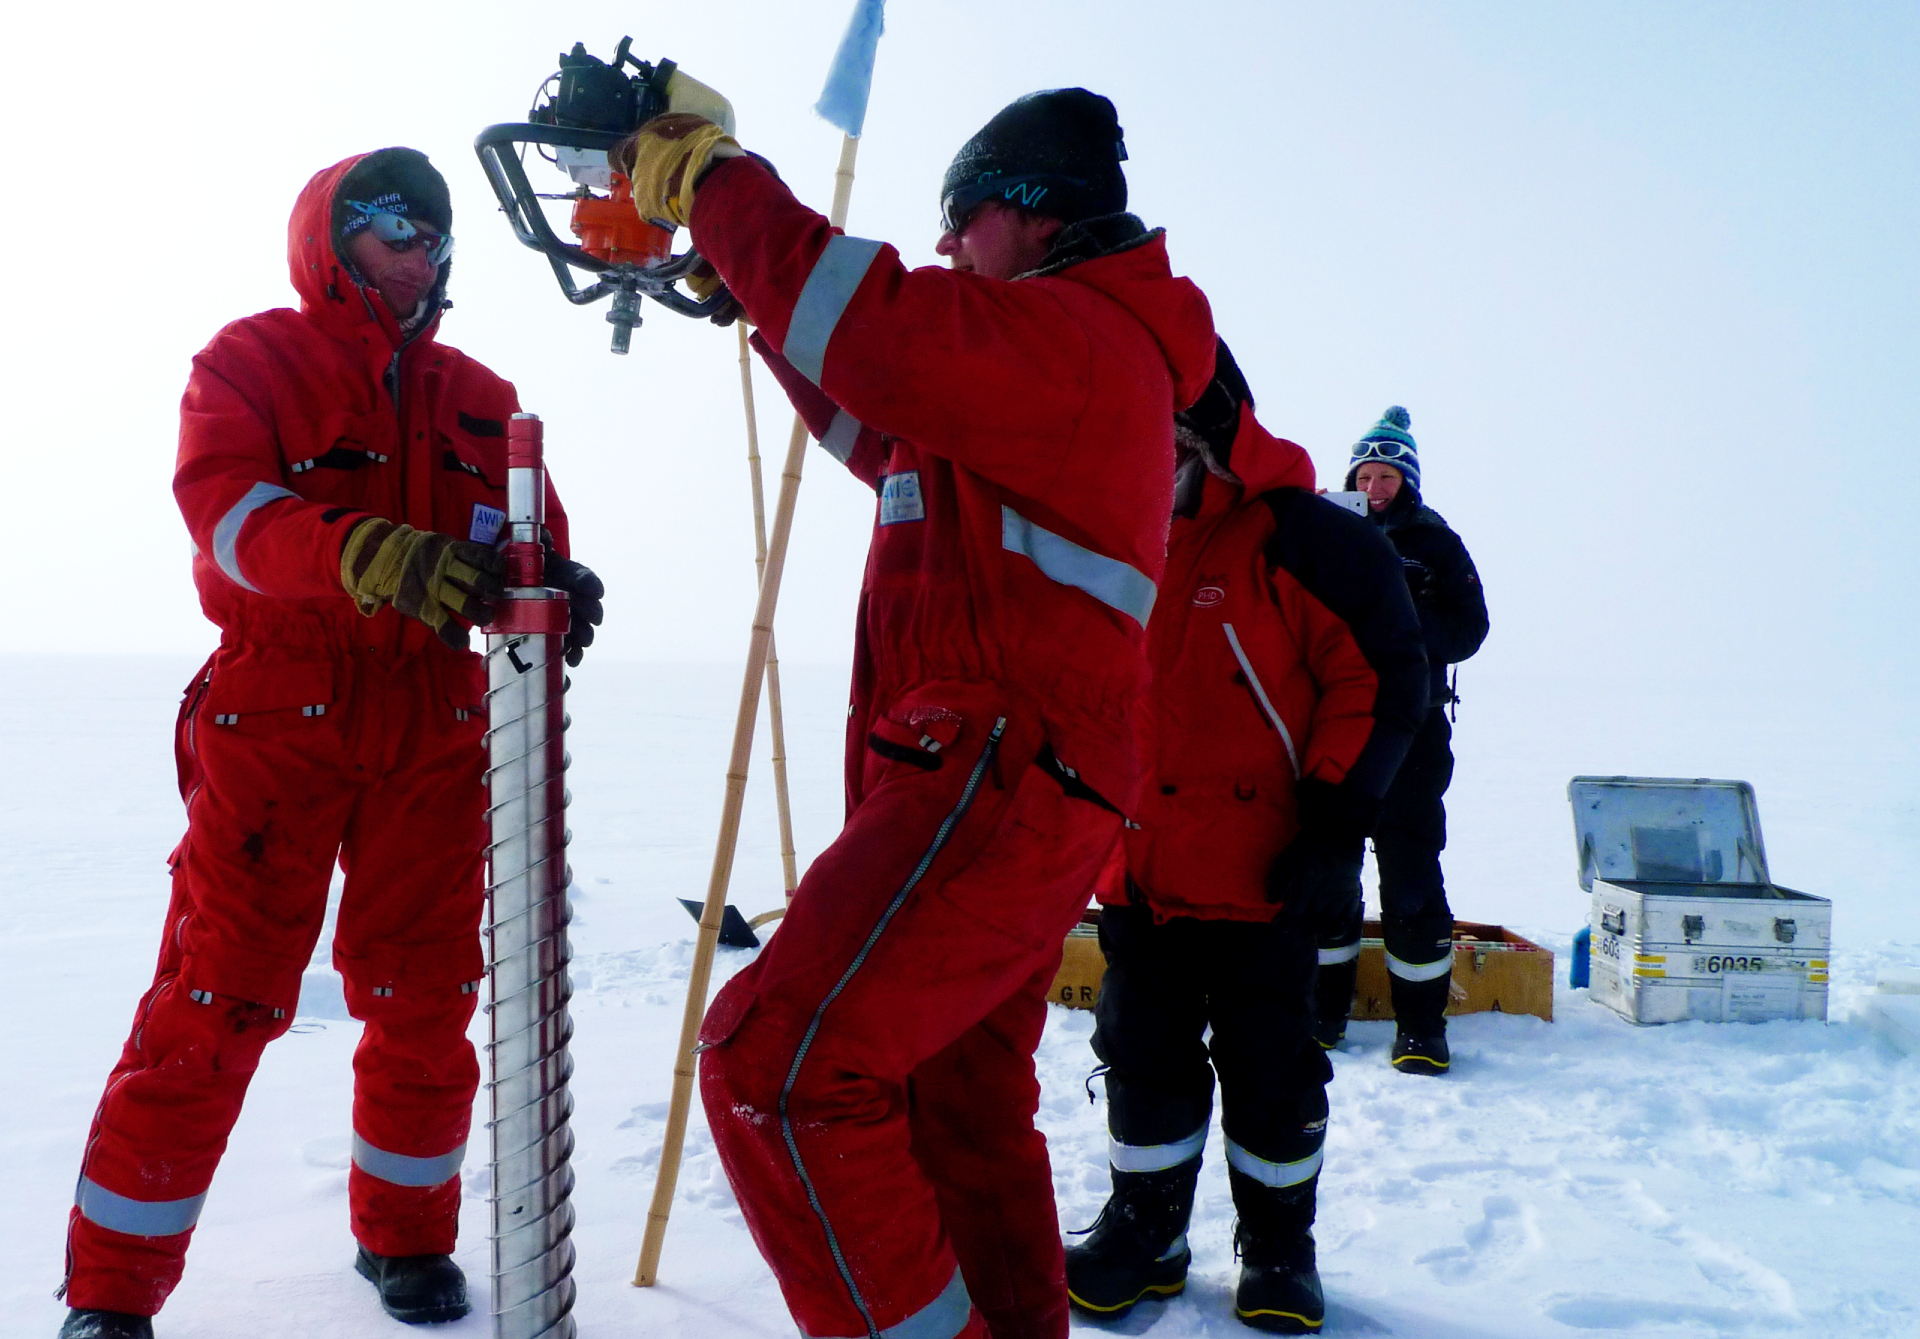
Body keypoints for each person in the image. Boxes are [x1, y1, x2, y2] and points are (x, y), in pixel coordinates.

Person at [613, 89, 1215, 1339]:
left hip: (998, 772)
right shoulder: (1041, 369)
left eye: (962, 217)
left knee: (774, 1068)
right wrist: (757, 299)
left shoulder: (1075, 339)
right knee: (953, 1101)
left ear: (1035, 217)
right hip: (1010, 785)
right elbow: (879, 423)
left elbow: (881, 331)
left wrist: (715, 178)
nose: (945, 244)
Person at [56, 148, 604, 1339]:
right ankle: (111, 1289)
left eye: (434, 231)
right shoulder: (250, 362)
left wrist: (556, 583)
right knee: (217, 995)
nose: (419, 249)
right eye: (391, 223)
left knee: (426, 995)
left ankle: (404, 1237)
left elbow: (529, 541)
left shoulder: (485, 398)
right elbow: (231, 517)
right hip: (279, 713)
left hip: (437, 727)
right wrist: (361, 553)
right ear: (331, 236)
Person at [1062, 345, 1428, 1333]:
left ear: (1209, 426)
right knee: (1141, 1055)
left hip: (1272, 877)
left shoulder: (1307, 537)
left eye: (1168, 428)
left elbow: (1384, 679)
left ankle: (1278, 1249)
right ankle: (1147, 1232)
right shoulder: (1112, 537)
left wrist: (1332, 823)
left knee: (1272, 1070)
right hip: (1141, 874)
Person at [1313, 407, 1488, 1075]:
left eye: (1388, 474)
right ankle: (1320, 1012)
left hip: (1413, 730)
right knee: (1328, 867)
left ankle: (1421, 1027)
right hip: (1334, 724)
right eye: (1367, 473)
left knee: (1410, 871)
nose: (1377, 485)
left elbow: (1470, 628)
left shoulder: (1435, 541)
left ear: (1406, 480)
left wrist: (1409, 620)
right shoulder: (1327, 533)